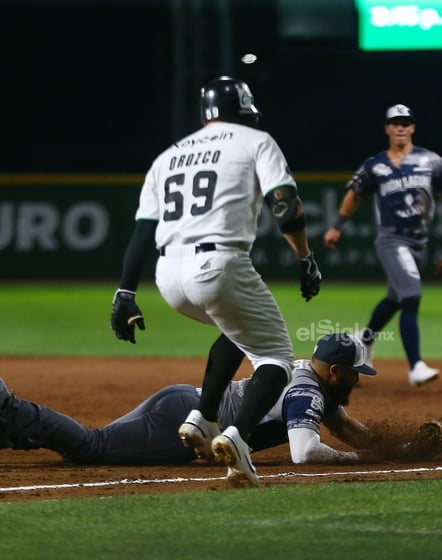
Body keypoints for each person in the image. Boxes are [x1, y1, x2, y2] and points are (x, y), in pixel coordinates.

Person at [108, 76, 322, 487]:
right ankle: (237, 438)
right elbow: (286, 205)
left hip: (168, 275)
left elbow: (141, 232)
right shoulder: (255, 140)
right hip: (218, 264)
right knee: (276, 358)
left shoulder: (167, 156)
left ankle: (203, 418)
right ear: (244, 108)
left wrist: (125, 293)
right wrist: (305, 258)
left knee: (237, 329)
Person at [0, 334, 377, 478]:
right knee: (92, 448)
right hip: (185, 427)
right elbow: (304, 451)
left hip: (185, 403)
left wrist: (389, 445)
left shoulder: (306, 375)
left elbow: (342, 424)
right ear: (335, 371)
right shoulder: (307, 393)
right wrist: (356, 459)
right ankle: (6, 405)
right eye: (357, 372)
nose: (360, 379)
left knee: (87, 448)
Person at [323, 104, 442, 387]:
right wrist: (337, 226)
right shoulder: (375, 165)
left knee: (395, 299)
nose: (401, 127)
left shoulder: (431, 161)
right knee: (411, 295)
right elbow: (355, 195)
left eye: (406, 122)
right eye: (395, 123)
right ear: (387, 129)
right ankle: (416, 367)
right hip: (391, 238)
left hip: (419, 242)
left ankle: (363, 342)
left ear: (413, 127)